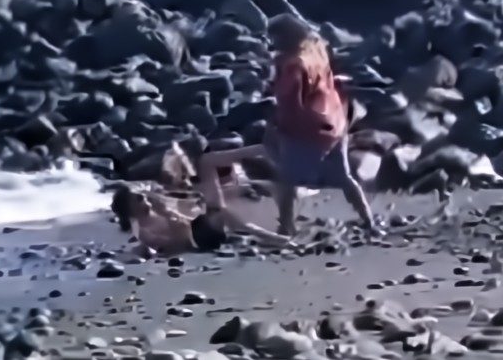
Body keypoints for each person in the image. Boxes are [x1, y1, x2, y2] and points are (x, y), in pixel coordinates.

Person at [196, 14, 379, 237]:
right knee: (344, 177)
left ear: (285, 37)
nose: (272, 42)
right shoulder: (316, 48)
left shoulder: (292, 65)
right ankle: (368, 220)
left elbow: (290, 103)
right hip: (335, 120)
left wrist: (276, 128)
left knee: (288, 180)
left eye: (275, 37)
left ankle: (286, 226)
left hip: (309, 128)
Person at [110, 182, 291, 255]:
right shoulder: (141, 229)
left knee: (219, 210)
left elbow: (187, 212)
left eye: (143, 195)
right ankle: (269, 239)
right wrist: (169, 215)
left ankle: (266, 237)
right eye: (139, 198)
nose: (145, 199)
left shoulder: (156, 210)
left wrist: (173, 213)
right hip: (191, 242)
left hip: (194, 231)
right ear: (130, 209)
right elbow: (166, 246)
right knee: (218, 215)